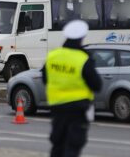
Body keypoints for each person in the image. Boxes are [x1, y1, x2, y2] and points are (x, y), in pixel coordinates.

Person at [41, 19, 102, 157]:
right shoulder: (83, 59)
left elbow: (45, 79)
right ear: (81, 38)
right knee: (72, 147)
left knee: (57, 145)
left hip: (57, 108)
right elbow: (97, 85)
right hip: (78, 110)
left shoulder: (53, 56)